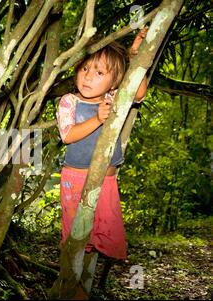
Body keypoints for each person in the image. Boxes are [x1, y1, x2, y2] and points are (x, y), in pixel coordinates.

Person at [56, 28, 148, 262]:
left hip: (105, 180)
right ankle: (70, 288)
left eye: (98, 72)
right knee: (75, 238)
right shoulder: (69, 101)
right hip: (75, 179)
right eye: (85, 69)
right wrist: (97, 118)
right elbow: (67, 135)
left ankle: (82, 285)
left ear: (113, 81)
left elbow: (138, 93)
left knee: (105, 231)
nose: (88, 77)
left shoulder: (114, 97)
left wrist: (136, 55)